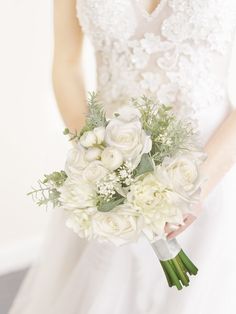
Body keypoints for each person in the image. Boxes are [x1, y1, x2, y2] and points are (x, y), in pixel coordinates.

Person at [10, 0, 236, 313]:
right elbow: (66, 63)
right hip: (109, 172)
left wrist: (199, 182)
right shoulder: (103, 164)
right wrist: (98, 156)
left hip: (216, 165)